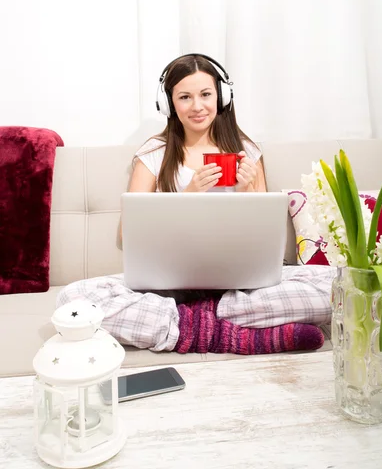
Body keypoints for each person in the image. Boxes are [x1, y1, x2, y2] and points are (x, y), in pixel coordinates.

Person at [57, 54, 334, 355]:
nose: (197, 106)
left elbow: (266, 240)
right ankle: (229, 333)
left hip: (240, 284)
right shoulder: (155, 153)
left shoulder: (248, 151)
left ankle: (194, 322)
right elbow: (129, 233)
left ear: (222, 96)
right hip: (170, 285)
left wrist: (246, 191)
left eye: (205, 94)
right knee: (74, 297)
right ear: (169, 103)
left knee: (336, 283)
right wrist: (187, 195)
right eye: (185, 97)